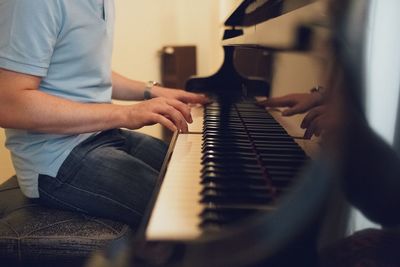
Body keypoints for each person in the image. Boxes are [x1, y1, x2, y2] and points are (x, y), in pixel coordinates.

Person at [0, 0, 208, 227]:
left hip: (101, 134)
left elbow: (86, 70)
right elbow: (9, 104)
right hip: (56, 157)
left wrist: (152, 91)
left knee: (196, 177)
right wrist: (126, 114)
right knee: (183, 211)